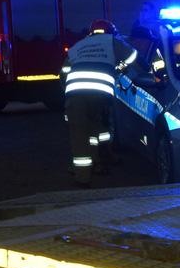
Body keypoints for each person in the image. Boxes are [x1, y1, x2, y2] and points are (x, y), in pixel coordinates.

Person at [61, 19, 142, 187]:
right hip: (99, 95)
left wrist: (68, 92)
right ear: (111, 31)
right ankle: (98, 162)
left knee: (79, 134)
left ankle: (83, 177)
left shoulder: (79, 45)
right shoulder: (113, 41)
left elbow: (63, 73)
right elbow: (135, 57)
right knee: (97, 129)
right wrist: (122, 68)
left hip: (75, 94)